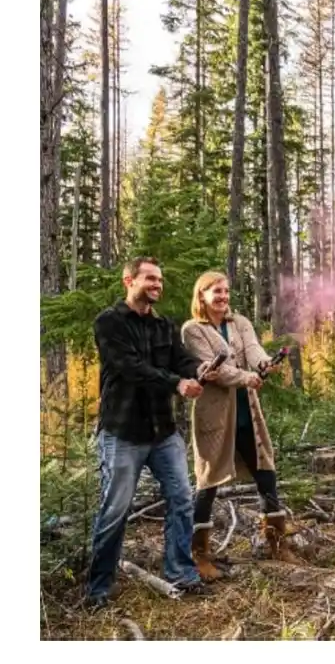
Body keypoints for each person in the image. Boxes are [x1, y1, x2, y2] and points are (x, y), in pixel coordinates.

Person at [86, 256, 217, 608]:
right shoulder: (109, 322)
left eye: (159, 279)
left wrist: (198, 368)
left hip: (163, 433)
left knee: (181, 499)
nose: (157, 284)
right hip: (122, 432)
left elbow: (180, 359)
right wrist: (177, 384)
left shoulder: (163, 325)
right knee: (115, 509)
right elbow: (129, 367)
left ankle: (181, 574)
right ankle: (98, 589)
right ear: (128, 281)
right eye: (150, 279)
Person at [182, 270, 300, 579]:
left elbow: (253, 350)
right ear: (202, 296)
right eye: (216, 291)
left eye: (226, 291)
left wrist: (264, 363)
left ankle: (276, 542)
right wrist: (247, 377)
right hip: (214, 414)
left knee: (265, 470)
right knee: (208, 479)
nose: (223, 296)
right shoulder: (192, 330)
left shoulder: (240, 323)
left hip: (247, 411)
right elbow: (214, 371)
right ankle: (199, 553)